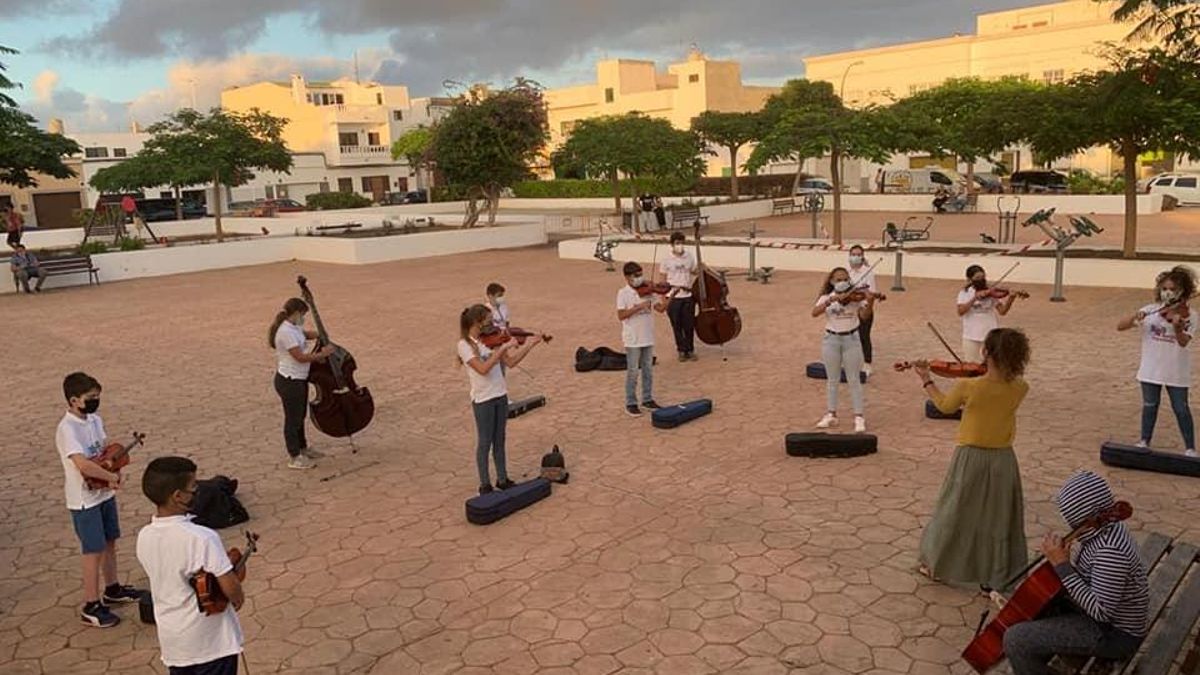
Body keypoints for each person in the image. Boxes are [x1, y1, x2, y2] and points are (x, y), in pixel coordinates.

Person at [911, 327, 1031, 589]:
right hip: (1003, 459)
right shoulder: (1021, 387)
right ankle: (997, 574)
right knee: (999, 517)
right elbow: (1001, 385)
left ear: (986, 352)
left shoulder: (969, 385)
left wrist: (926, 378)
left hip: (970, 457)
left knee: (953, 511)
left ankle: (937, 565)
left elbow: (944, 406)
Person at [1003, 471, 1148, 675]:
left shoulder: (1110, 551)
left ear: (1081, 517)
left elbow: (1101, 611)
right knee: (1035, 605)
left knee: (1016, 639)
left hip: (1115, 634)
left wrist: (1062, 565)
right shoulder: (1101, 529)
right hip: (1101, 619)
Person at [137, 457, 245, 675]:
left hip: (174, 643)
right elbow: (230, 586)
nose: (198, 491)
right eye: (193, 487)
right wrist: (237, 598)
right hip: (211, 643)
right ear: (178, 496)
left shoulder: (144, 536)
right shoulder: (201, 538)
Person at [55, 371, 144, 628]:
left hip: (103, 493)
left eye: (97, 397)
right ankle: (91, 603)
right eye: (90, 398)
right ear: (74, 400)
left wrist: (112, 469)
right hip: (84, 499)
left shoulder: (94, 419)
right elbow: (82, 464)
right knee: (92, 551)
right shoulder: (67, 429)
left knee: (109, 541)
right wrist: (108, 475)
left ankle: (113, 588)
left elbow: (104, 450)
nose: (95, 401)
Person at [457, 304, 543, 494]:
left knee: (500, 440)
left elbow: (511, 362)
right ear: (476, 323)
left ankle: (502, 479)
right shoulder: (464, 346)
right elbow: (483, 368)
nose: (492, 325)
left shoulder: (491, 341)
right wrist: (502, 347)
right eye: (488, 322)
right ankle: (485, 484)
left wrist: (529, 345)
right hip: (483, 399)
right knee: (485, 442)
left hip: (500, 395)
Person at [1117, 265, 1196, 456]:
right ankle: (1144, 441)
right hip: (1151, 369)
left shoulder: (1191, 316)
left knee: (1181, 408)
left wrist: (1177, 328)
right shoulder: (1151, 311)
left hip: (1176, 371)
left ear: (1182, 292)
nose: (1167, 293)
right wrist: (1135, 317)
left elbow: (1184, 342)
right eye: (1164, 288)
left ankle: (1190, 448)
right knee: (1150, 405)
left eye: (1172, 289)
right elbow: (1120, 326)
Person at [268, 298, 335, 470]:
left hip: (299, 379)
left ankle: (303, 448)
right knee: (292, 419)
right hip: (290, 381)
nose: (303, 317)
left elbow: (303, 334)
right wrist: (322, 354)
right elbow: (300, 357)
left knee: (300, 417)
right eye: (303, 314)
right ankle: (294, 456)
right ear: (296, 313)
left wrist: (318, 334)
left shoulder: (293, 326)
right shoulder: (285, 332)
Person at [812, 267, 874, 432]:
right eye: (838, 280)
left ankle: (859, 416)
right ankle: (831, 414)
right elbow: (814, 312)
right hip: (831, 339)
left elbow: (864, 316)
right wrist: (829, 301)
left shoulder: (856, 296)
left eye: (845, 279)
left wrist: (871, 301)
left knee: (854, 379)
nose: (842, 282)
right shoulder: (827, 297)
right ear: (832, 281)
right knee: (832, 379)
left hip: (851, 339)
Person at [617, 261, 666, 416]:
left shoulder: (648, 291)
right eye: (636, 275)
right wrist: (639, 307)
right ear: (627, 277)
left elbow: (661, 309)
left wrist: (670, 295)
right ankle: (631, 402)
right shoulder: (623, 293)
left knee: (648, 370)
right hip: (633, 338)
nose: (639, 278)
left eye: (640, 274)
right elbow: (621, 315)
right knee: (633, 371)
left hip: (648, 336)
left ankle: (647, 399)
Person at [957, 265, 1021, 363]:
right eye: (977, 278)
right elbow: (960, 311)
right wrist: (974, 298)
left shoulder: (990, 292)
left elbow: (1002, 311)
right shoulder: (964, 293)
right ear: (970, 279)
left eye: (983, 277)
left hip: (990, 334)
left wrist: (1011, 298)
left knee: (991, 364)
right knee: (971, 364)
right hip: (970, 335)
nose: (981, 280)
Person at [660, 231, 698, 361]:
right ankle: (681, 349)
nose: (680, 245)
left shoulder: (689, 256)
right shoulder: (666, 259)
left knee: (689, 324)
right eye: (677, 243)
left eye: (681, 242)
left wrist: (703, 269)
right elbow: (663, 278)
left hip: (687, 295)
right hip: (673, 296)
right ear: (672, 244)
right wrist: (663, 297)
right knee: (676, 325)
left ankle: (690, 349)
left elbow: (693, 270)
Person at [848, 246, 876, 376]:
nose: (855, 257)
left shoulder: (868, 272)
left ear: (862, 256)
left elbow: (871, 292)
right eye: (853, 254)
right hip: (849, 308)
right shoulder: (846, 272)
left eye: (858, 254)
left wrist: (864, 305)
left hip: (863, 307)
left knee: (864, 336)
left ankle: (867, 363)